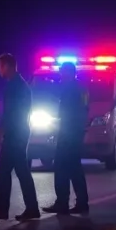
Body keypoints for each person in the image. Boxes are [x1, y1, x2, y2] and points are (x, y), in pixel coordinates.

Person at [0, 53, 40, 221]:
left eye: (0, 66)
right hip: (20, 132)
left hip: (14, 134)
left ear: (7, 66)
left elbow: (10, 113)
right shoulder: (21, 84)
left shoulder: (14, 86)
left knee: (4, 170)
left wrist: (0, 132)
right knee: (21, 171)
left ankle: (4, 209)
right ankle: (31, 207)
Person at [42, 61, 90, 215]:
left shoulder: (71, 89)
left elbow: (67, 113)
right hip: (75, 133)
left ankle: (62, 202)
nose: (60, 75)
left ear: (69, 73)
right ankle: (81, 202)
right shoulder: (80, 88)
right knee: (75, 169)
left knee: (61, 168)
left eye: (62, 72)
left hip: (69, 134)